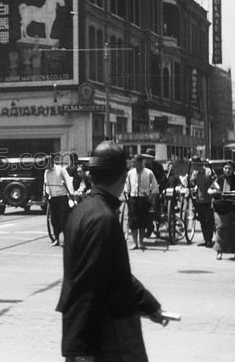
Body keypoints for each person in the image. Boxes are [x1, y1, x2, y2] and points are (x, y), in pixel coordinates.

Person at [56, 141, 167, 362]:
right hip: (108, 335)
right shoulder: (103, 219)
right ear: (122, 175)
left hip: (94, 333)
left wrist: (148, 304)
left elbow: (111, 271)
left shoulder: (83, 210)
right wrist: (82, 349)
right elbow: (90, 284)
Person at [124, 154, 159, 250]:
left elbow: (155, 187)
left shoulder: (148, 173)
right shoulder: (130, 173)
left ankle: (141, 242)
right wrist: (127, 194)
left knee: (142, 222)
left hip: (144, 199)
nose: (133, 164)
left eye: (134, 162)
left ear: (140, 162)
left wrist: (151, 197)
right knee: (133, 222)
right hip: (133, 198)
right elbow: (127, 186)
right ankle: (135, 243)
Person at [209, 160, 235, 260]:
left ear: (233, 170)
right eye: (225, 168)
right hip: (220, 208)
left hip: (234, 208)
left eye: (229, 168)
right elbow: (209, 190)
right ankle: (219, 251)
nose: (227, 170)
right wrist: (216, 191)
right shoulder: (219, 179)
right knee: (221, 228)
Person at [44, 154, 74, 246]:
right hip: (53, 198)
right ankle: (57, 239)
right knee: (54, 220)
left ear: (52, 162)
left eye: (47, 163)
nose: (46, 166)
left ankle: (65, 239)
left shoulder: (60, 169)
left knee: (63, 219)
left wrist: (71, 193)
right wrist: (46, 194)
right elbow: (45, 183)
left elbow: (68, 181)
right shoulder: (46, 172)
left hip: (62, 196)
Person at [189, 156, 217, 248]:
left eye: (195, 164)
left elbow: (215, 181)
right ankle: (206, 240)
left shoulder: (208, 171)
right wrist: (190, 183)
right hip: (199, 200)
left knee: (209, 221)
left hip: (209, 200)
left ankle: (209, 239)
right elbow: (191, 182)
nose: (194, 167)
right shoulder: (195, 173)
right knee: (202, 221)